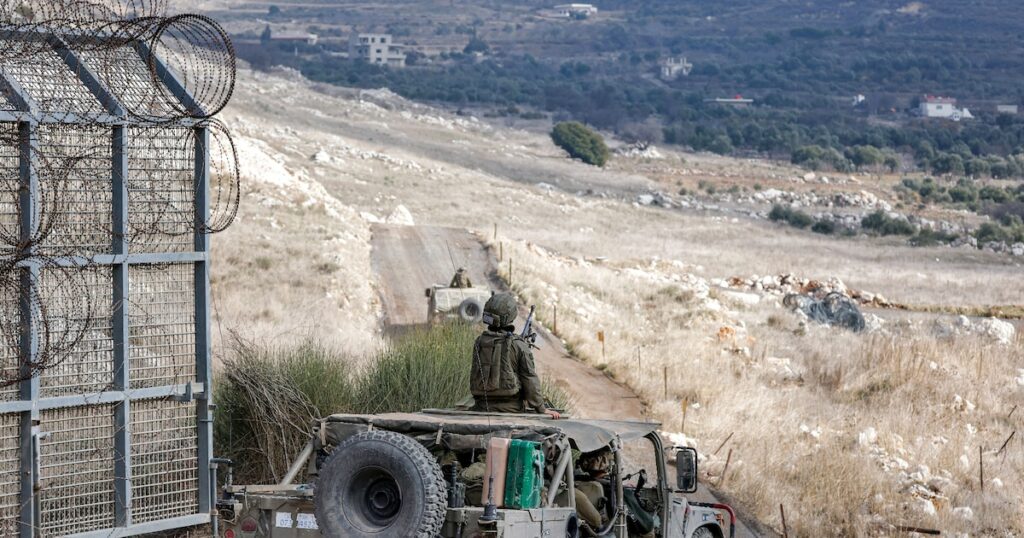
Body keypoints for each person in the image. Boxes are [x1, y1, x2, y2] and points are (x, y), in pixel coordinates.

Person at [470, 293, 560, 419]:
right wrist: (541, 408)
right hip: (511, 411)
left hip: (481, 408)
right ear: (511, 316)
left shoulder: (479, 342)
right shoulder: (518, 345)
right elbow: (529, 378)